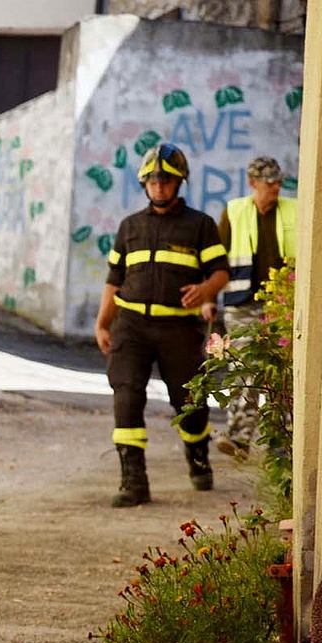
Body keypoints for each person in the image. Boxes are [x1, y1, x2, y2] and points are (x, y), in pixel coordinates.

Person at [94, 142, 230, 508]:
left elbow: (220, 272)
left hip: (179, 331)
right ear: (144, 184)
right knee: (126, 395)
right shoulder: (129, 227)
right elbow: (114, 279)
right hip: (131, 327)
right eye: (152, 181)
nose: (159, 187)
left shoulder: (199, 225)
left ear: (179, 183)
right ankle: (133, 481)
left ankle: (198, 458)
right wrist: (102, 323)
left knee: (189, 403)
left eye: (166, 181)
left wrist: (204, 290)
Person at [209, 155, 297, 460]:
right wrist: (209, 298)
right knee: (246, 369)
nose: (274, 188)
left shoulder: (294, 210)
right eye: (268, 183)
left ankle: (281, 444)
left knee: (282, 372)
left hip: (282, 304)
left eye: (278, 182)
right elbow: (217, 260)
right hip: (242, 302)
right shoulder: (234, 212)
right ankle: (239, 438)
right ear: (252, 183)